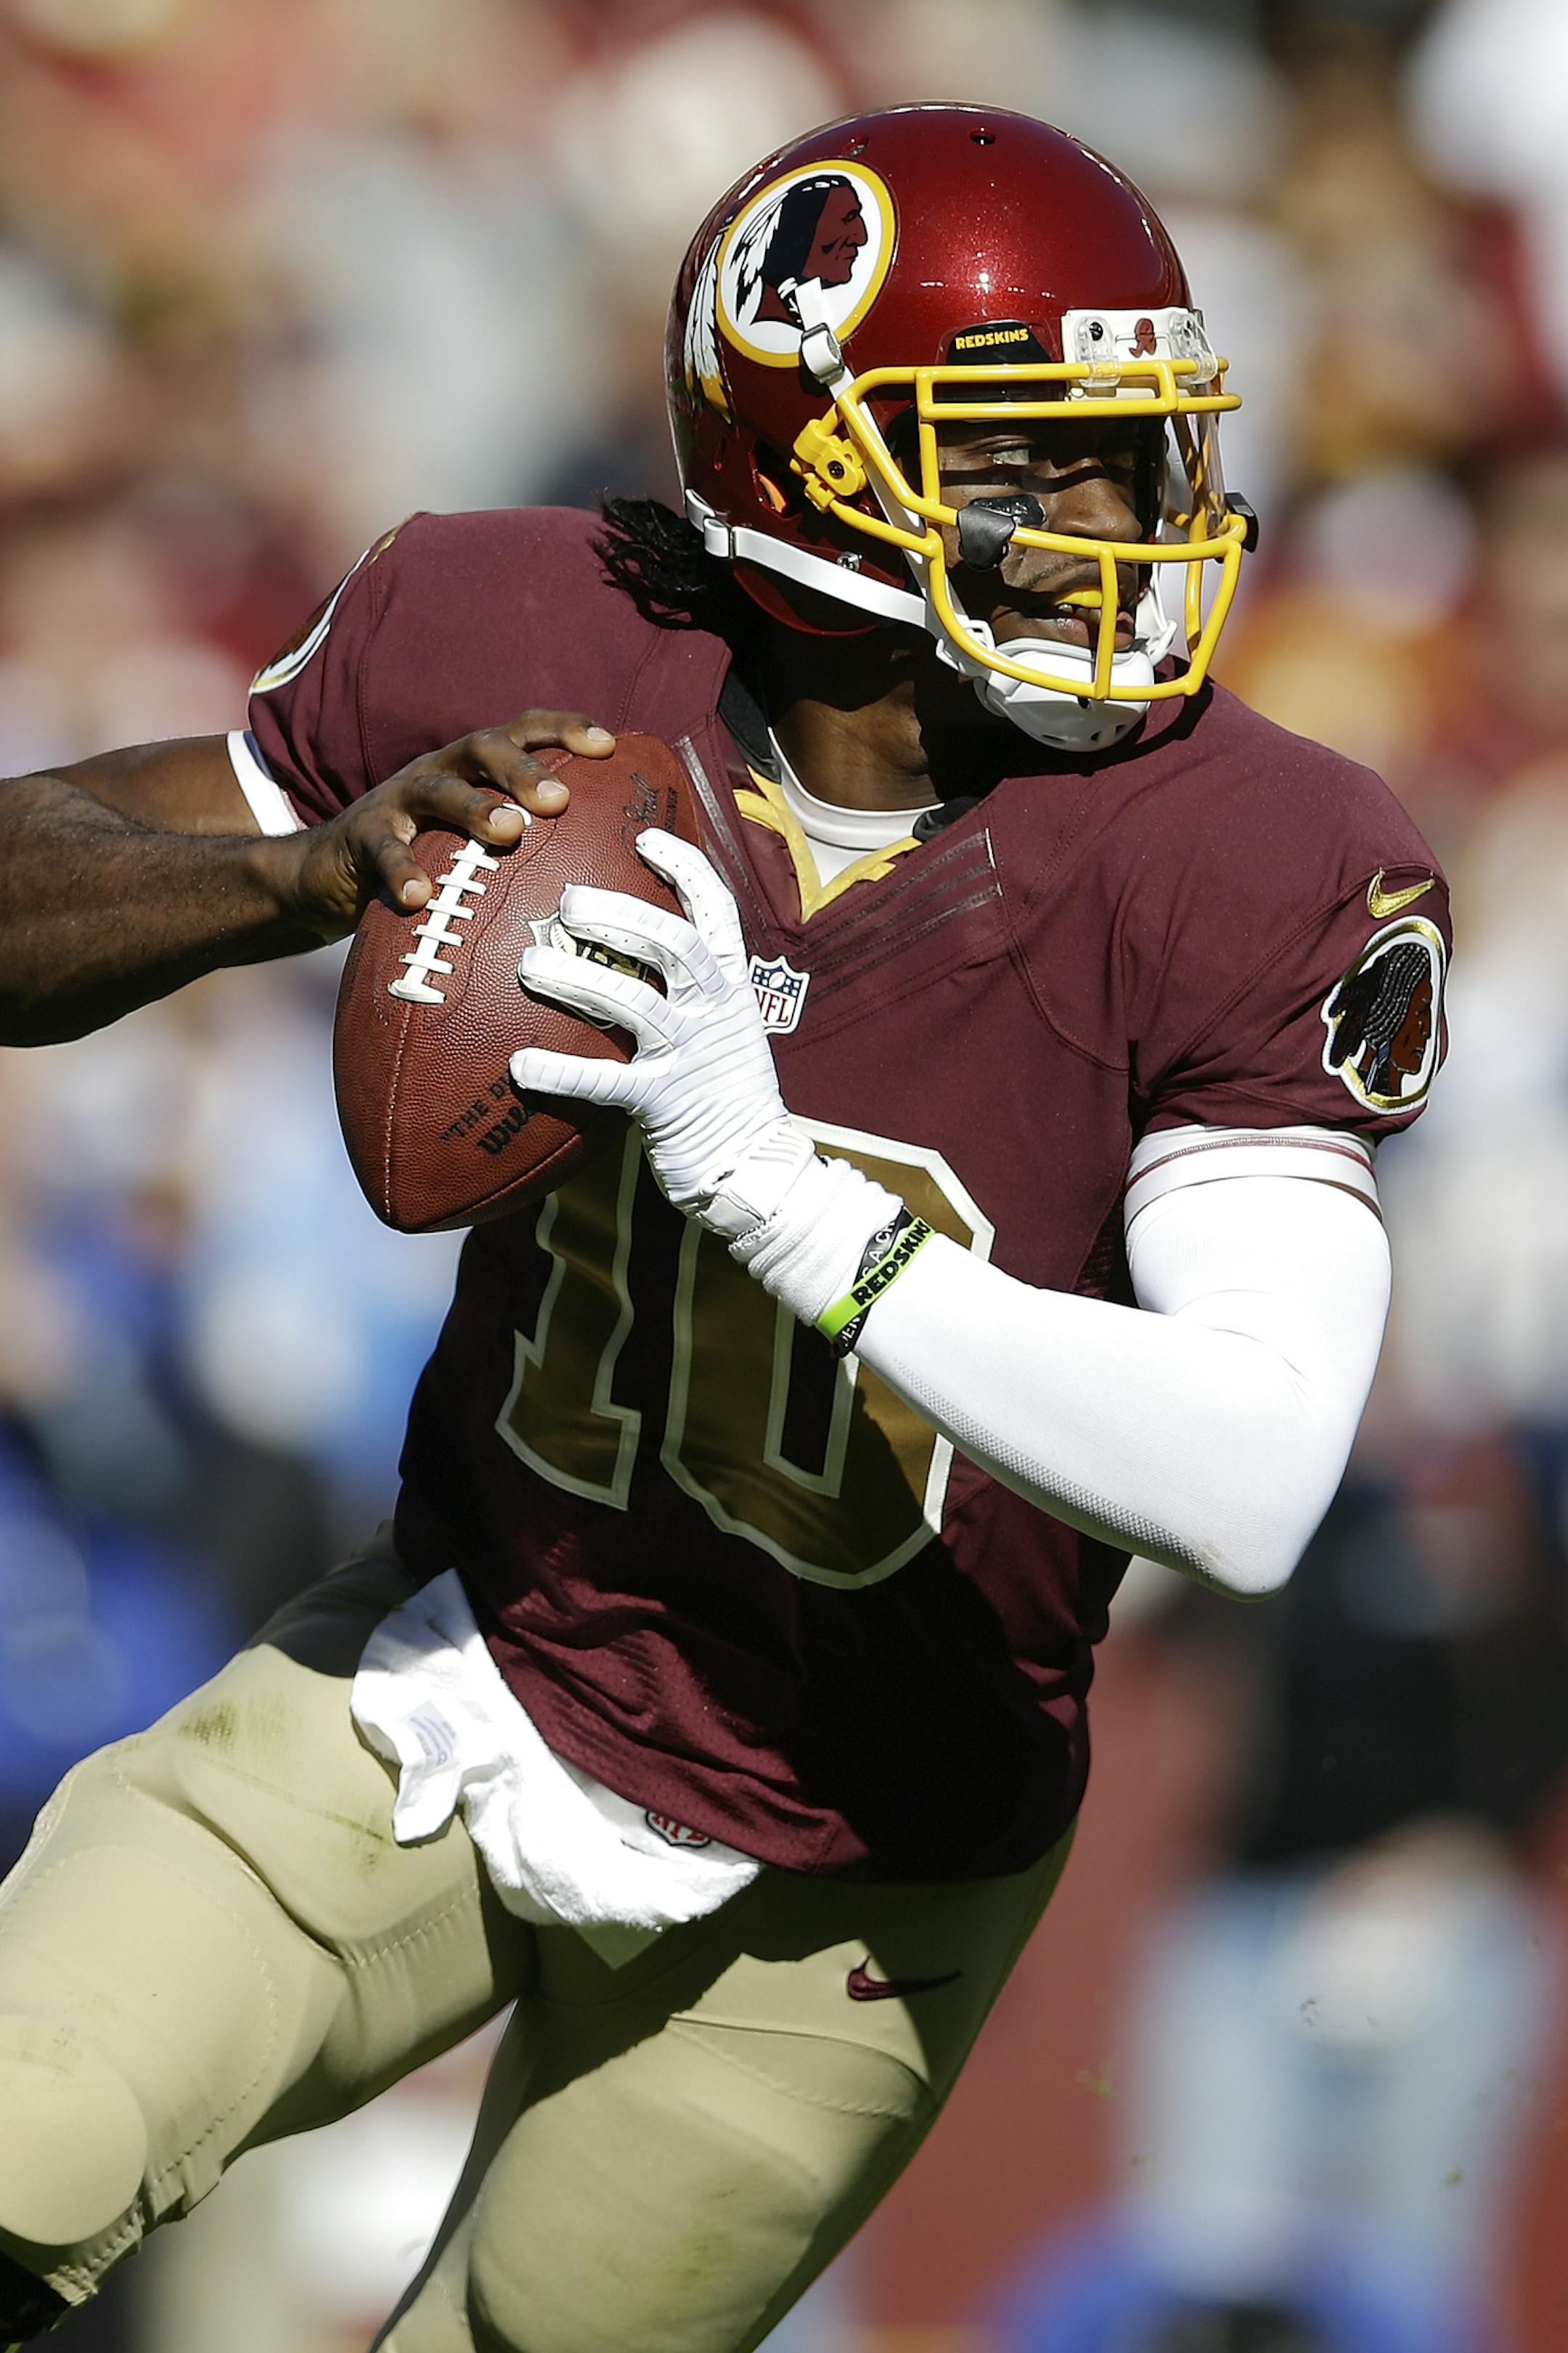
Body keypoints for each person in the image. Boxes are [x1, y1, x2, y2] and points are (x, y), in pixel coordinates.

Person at [0, 105, 1448, 2353]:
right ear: (816, 467)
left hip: (862, 1868)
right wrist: (288, 874)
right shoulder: (521, 632)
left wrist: (768, 1181)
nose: (1128, 531)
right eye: (1041, 461)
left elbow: (1254, 1471)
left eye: (1144, 460)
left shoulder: (1247, 851)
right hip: (464, 1664)